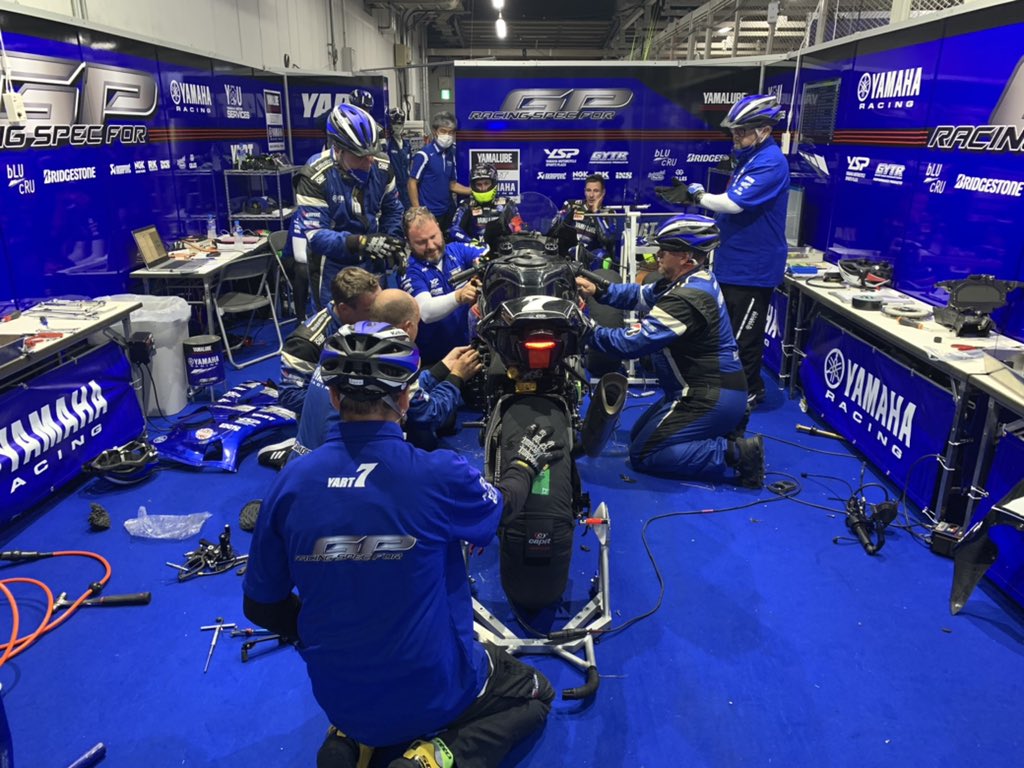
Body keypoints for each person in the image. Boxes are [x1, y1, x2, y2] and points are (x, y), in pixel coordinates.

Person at [242, 321, 556, 768]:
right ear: (406, 397)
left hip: (340, 696)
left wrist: (331, 639)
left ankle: (353, 738)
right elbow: (501, 508)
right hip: (434, 690)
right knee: (534, 693)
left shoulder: (290, 482)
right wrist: (524, 464)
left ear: (333, 397)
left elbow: (261, 606)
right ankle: (435, 757)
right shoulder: (438, 474)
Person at [575, 214, 764, 487]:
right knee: (638, 436)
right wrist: (598, 290)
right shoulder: (690, 279)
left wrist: (584, 329)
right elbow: (639, 296)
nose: (658, 254)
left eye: (666, 249)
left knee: (644, 453)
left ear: (686, 257)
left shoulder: (687, 298)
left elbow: (630, 344)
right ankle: (725, 428)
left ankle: (736, 453)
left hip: (709, 396)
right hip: (705, 390)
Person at [671, 94, 790, 407]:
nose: (735, 136)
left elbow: (733, 204)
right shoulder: (750, 157)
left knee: (743, 337)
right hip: (734, 262)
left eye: (742, 131)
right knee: (727, 334)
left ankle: (746, 392)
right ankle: (733, 387)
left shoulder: (770, 162)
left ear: (764, 131)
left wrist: (697, 195)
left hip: (753, 269)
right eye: (734, 131)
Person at [292, 288, 481, 455]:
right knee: (423, 434)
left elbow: (405, 387)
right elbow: (428, 415)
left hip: (306, 455)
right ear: (408, 327)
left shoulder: (344, 346)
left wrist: (442, 368)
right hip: (344, 463)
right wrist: (456, 378)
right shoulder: (395, 357)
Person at [291, 103, 405, 311]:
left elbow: (392, 209)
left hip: (372, 261)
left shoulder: (382, 167)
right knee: (337, 323)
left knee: (377, 317)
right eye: (360, 156)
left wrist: (394, 241)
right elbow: (316, 236)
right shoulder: (314, 176)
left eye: (373, 152)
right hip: (332, 267)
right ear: (338, 149)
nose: (369, 161)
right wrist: (359, 242)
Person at [277, 267, 382, 416]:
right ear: (344, 309)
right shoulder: (306, 342)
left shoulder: (371, 317)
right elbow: (290, 395)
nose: (379, 314)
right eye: (370, 310)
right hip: (330, 418)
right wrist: (350, 401)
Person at [399, 207, 487, 366]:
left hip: (469, 352)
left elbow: (487, 254)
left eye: (433, 237)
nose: (431, 246)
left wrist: (482, 264)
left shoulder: (457, 250)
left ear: (439, 228)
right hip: (434, 362)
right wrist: (459, 296)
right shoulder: (409, 271)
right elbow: (425, 312)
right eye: (421, 242)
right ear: (409, 242)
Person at [408, 111, 471, 233]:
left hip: (448, 212)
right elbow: (412, 183)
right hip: (430, 213)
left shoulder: (450, 154)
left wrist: (473, 191)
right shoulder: (424, 154)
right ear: (434, 131)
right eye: (443, 131)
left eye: (450, 132)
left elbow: (452, 185)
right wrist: (418, 211)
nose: (447, 135)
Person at [449, 162, 522, 251]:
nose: (483, 188)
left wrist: (513, 231)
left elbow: (518, 227)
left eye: (486, 183)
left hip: (503, 252)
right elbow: (454, 231)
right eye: (479, 185)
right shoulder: (466, 205)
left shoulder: (506, 203)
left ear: (494, 183)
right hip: (476, 252)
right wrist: (472, 242)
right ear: (473, 185)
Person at [551, 174, 619, 269]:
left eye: (596, 191)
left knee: (601, 255)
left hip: (591, 260)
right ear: (584, 191)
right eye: (588, 190)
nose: (591, 195)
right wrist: (569, 215)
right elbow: (555, 231)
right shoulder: (572, 206)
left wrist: (596, 212)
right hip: (568, 256)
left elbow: (607, 240)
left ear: (603, 193)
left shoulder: (608, 213)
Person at [386, 107, 413, 209]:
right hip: (393, 187)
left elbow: (409, 166)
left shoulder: (406, 145)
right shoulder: (388, 144)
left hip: (406, 188)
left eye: (400, 123)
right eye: (394, 123)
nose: (397, 126)